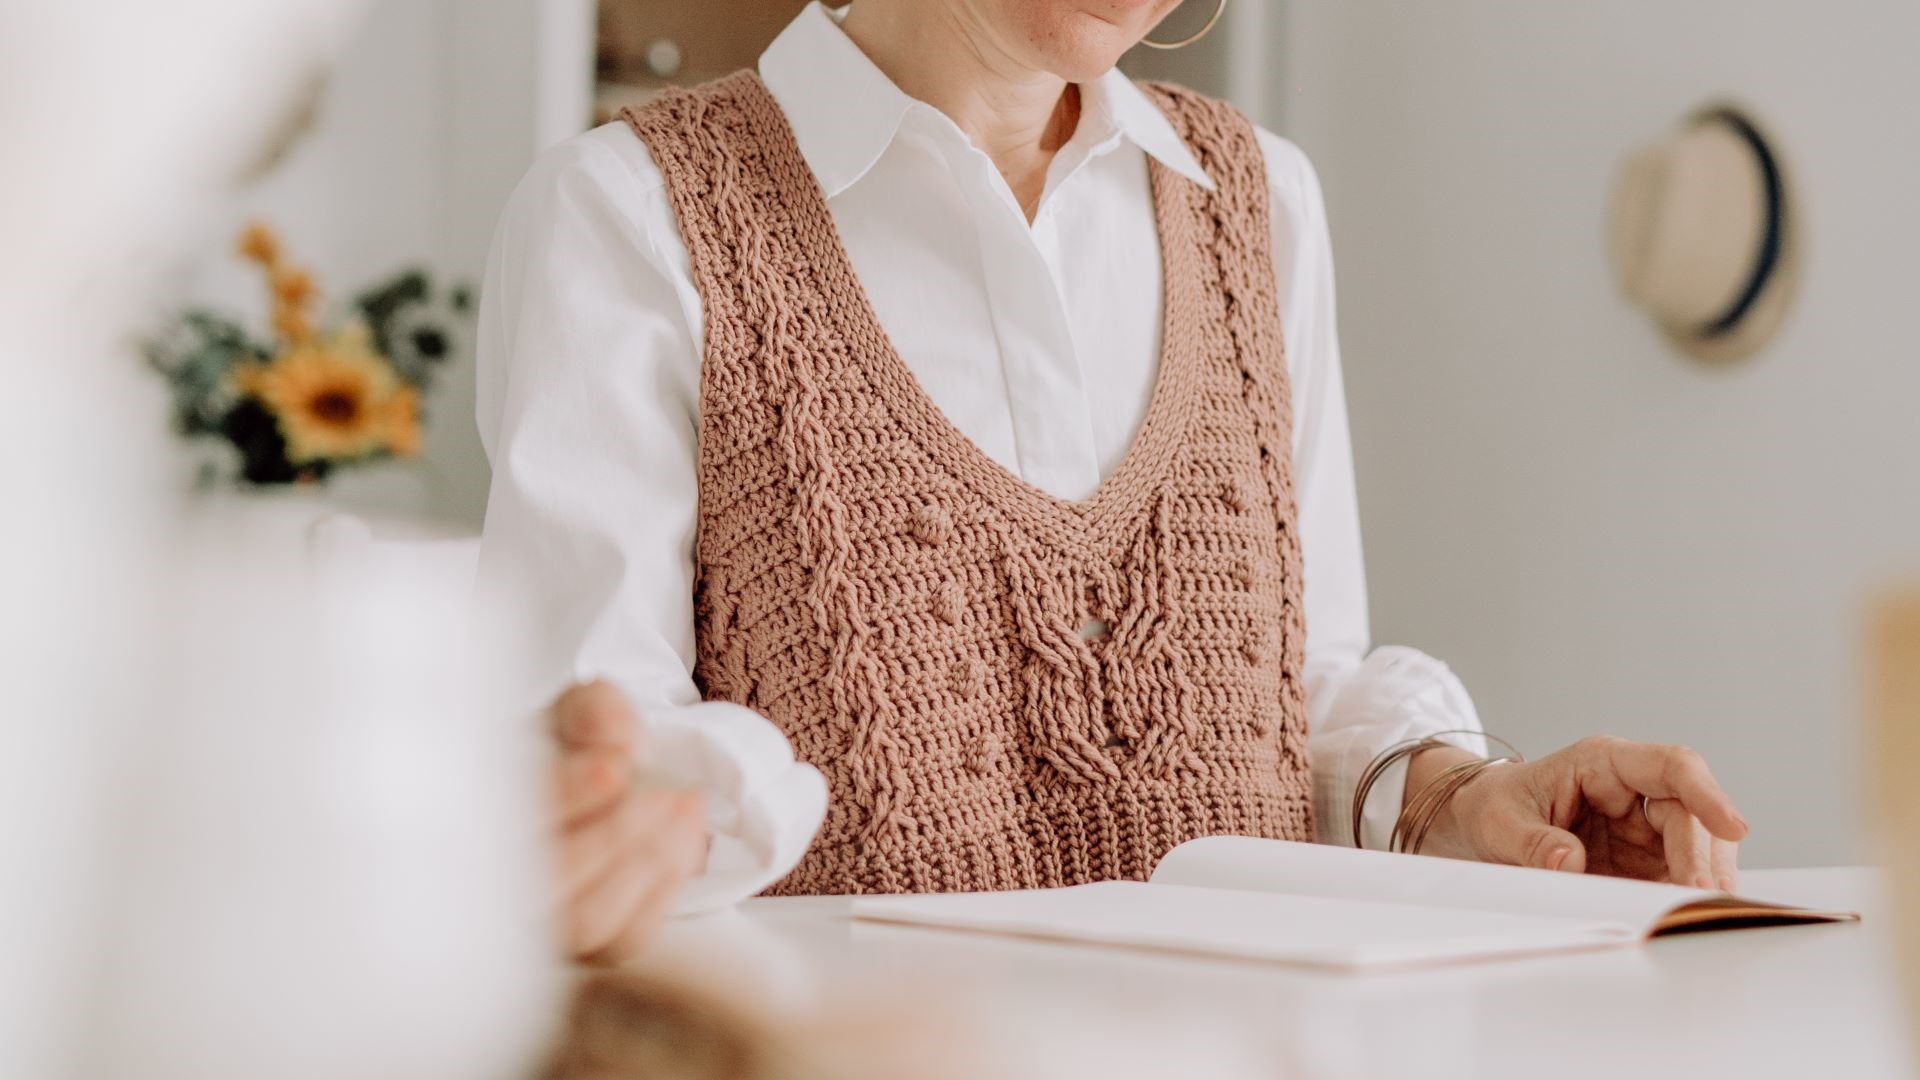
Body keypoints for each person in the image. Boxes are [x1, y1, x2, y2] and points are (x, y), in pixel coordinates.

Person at [478, 0, 1748, 964]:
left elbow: (1293, 689)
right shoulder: (632, 214)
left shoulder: (1258, 201)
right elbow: (598, 777)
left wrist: (1461, 801)